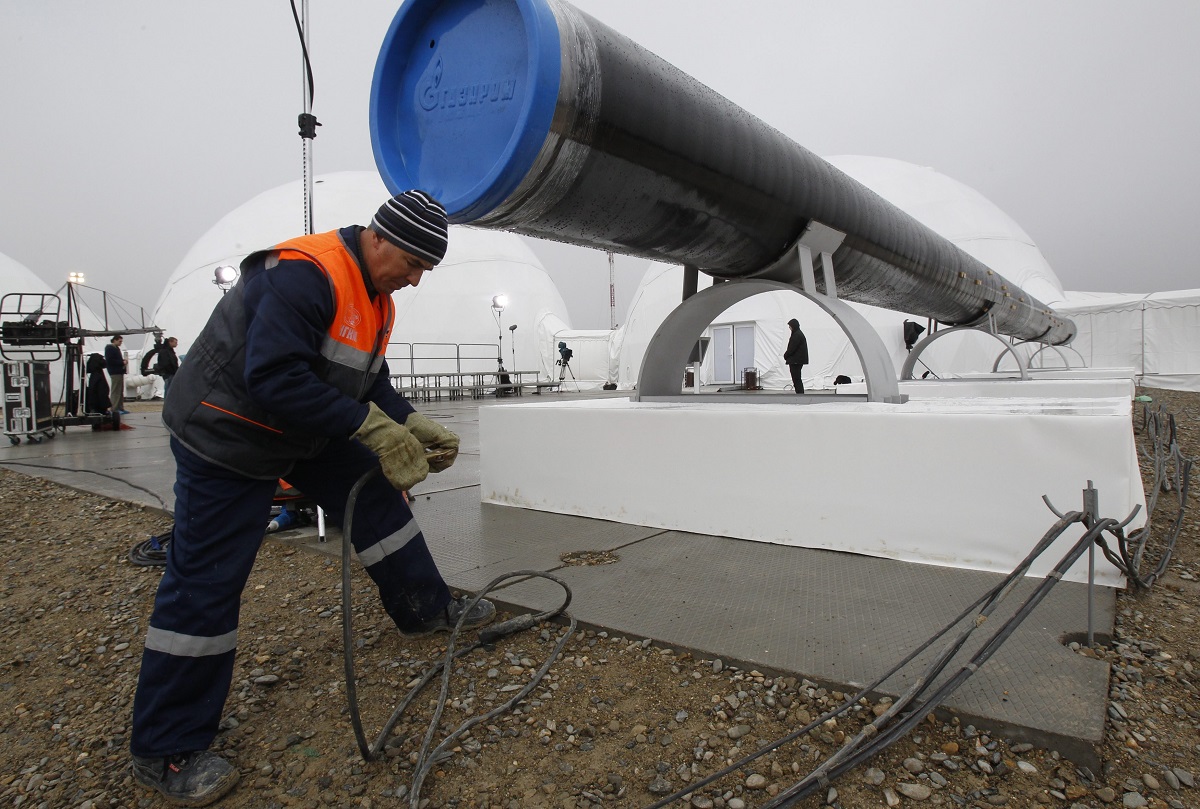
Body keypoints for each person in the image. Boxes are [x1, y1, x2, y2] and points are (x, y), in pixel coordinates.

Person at [130, 190, 495, 807]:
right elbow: (272, 378)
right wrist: (371, 429)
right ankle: (166, 747)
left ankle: (423, 607)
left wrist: (407, 419)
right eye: (411, 264)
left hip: (299, 427)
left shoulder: (376, 297)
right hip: (227, 433)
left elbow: (364, 377)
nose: (414, 280)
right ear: (379, 238)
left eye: (423, 271)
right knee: (208, 581)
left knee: (379, 496)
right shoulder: (305, 275)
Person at [783, 318, 808, 394]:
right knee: (797, 378)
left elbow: (792, 348)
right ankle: (800, 393)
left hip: (796, 361)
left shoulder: (796, 335)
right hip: (798, 360)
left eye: (790, 326)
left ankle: (800, 394)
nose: (789, 328)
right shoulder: (798, 334)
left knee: (796, 378)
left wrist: (786, 355)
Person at [105, 334, 128, 414]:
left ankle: (120, 407)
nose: (121, 343)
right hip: (114, 372)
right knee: (115, 391)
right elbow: (110, 361)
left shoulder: (116, 348)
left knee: (120, 390)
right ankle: (114, 408)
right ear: (115, 340)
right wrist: (121, 362)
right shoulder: (109, 349)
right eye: (119, 341)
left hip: (119, 371)